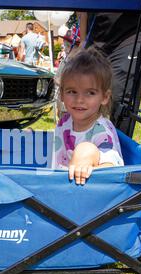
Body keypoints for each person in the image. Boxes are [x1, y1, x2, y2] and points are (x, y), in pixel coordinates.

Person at [54, 48, 124, 185]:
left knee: (85, 148)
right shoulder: (65, 122)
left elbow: (113, 168)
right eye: (72, 91)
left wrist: (88, 154)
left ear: (104, 97)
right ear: (62, 94)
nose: (79, 99)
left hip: (83, 196)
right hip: (58, 186)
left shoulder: (102, 131)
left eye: (90, 93)